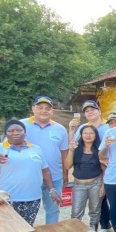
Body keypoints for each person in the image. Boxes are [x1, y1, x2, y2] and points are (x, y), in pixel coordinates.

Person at [69, 100, 112, 232]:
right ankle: (95, 227)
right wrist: (71, 131)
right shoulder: (83, 128)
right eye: (87, 111)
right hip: (86, 171)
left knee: (101, 202)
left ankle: (104, 225)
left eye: (93, 109)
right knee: (88, 205)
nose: (90, 112)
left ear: (99, 111)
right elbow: (73, 145)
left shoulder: (107, 127)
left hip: (104, 168)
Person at [24, 96, 68, 224]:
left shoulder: (60, 129)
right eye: (40, 107)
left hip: (55, 176)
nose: (44, 111)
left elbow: (64, 153)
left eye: (47, 108)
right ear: (33, 109)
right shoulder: (22, 126)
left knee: (53, 210)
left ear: (52, 111)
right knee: (27, 210)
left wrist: (65, 174)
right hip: (31, 177)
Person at [65, 125, 104, 232]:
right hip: (79, 184)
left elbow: (104, 169)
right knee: (76, 212)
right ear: (81, 135)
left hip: (96, 183)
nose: (88, 135)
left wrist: (103, 186)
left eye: (91, 133)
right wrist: (71, 150)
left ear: (95, 135)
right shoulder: (76, 149)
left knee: (95, 211)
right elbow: (67, 166)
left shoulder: (100, 150)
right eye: (85, 133)